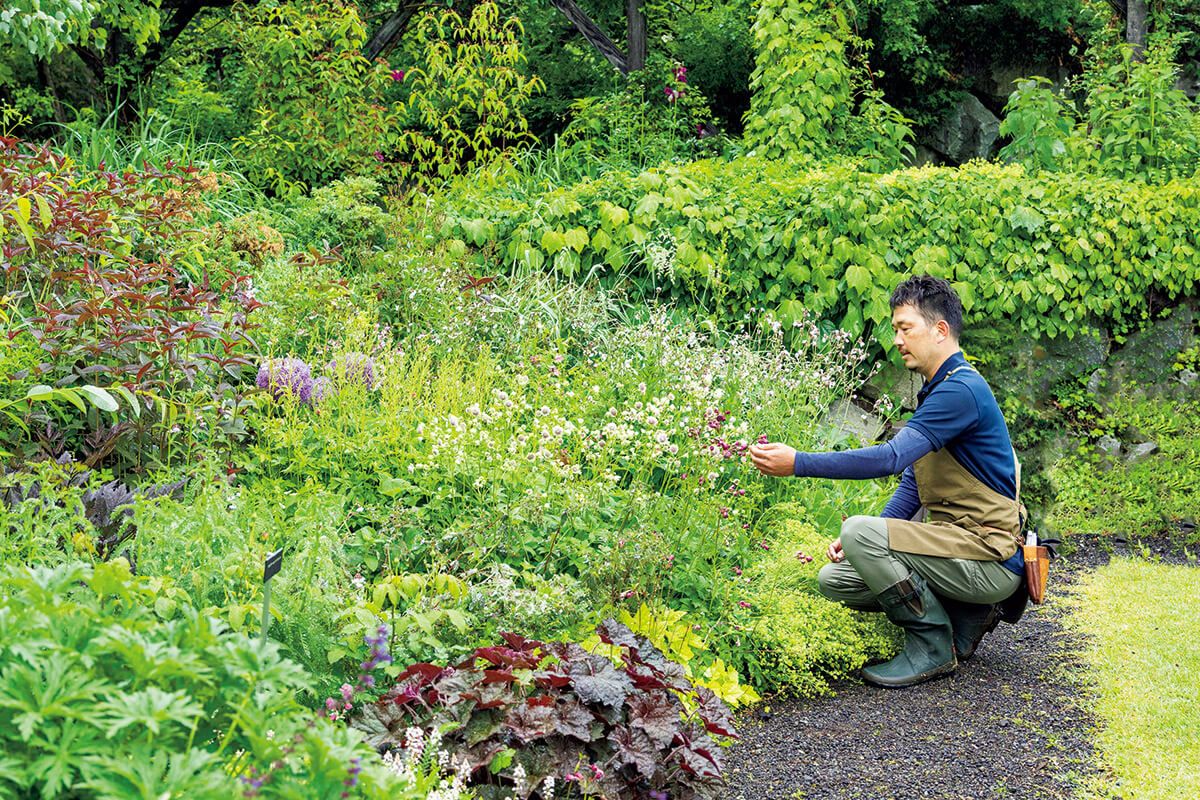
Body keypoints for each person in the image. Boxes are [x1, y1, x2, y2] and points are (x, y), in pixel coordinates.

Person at [748, 275, 1025, 688]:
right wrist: (869, 540)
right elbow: (914, 482)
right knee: (835, 579)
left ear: (941, 330)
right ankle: (961, 617)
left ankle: (931, 646)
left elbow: (889, 457)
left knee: (858, 532)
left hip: (989, 556)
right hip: (958, 546)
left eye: (905, 328)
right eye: (894, 329)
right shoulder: (938, 390)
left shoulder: (962, 390)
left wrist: (799, 462)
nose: (897, 339)